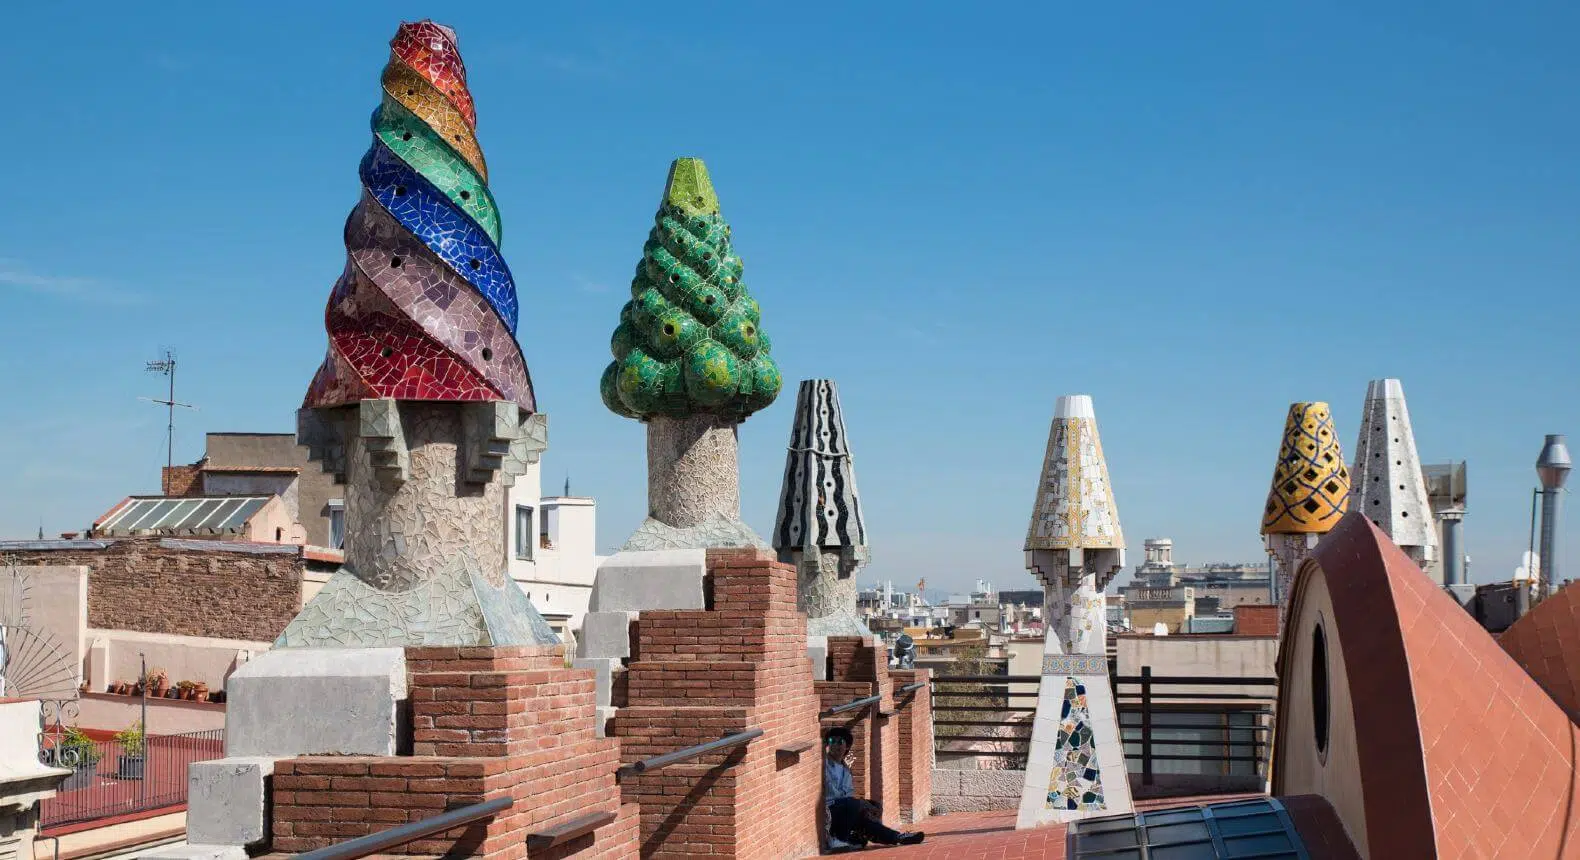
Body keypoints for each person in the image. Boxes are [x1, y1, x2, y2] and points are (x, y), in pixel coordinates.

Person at [822, 727, 924, 849]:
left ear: (847, 746)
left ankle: (898, 838)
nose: (835, 745)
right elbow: (831, 792)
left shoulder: (846, 770)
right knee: (854, 805)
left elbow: (848, 793)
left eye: (840, 742)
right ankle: (838, 839)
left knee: (869, 813)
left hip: (844, 810)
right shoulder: (824, 765)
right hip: (829, 809)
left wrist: (862, 806)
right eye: (832, 741)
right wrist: (858, 804)